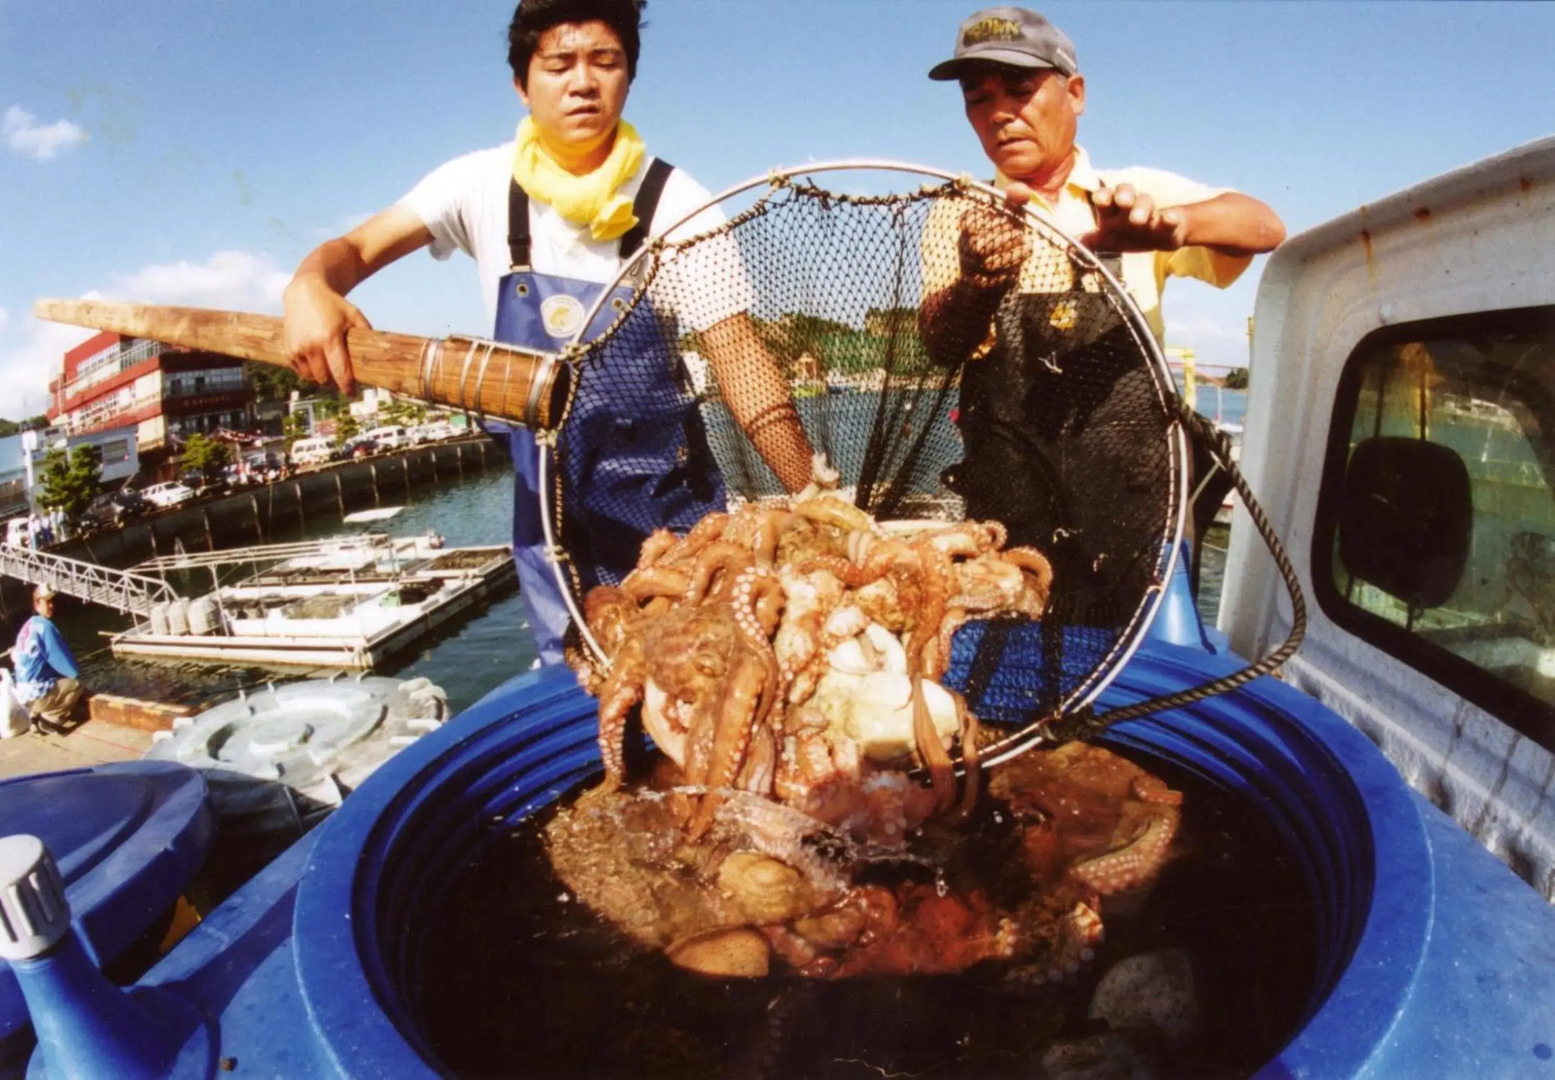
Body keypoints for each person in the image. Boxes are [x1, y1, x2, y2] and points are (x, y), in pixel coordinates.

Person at [283, 0, 814, 666]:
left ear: (628, 76)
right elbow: (354, 250)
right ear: (522, 83)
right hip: (549, 523)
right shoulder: (477, 184)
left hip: (673, 523)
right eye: (558, 64)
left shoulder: (675, 202)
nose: (582, 82)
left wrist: (814, 498)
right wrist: (308, 287)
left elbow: (736, 353)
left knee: (696, 684)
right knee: (570, 698)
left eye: (605, 61)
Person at [918, 6, 1285, 597]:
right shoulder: (960, 211)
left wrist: (1171, 229)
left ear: (1076, 94)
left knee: (1146, 668)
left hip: (1137, 507)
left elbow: (1264, 225)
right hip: (1008, 513)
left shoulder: (1131, 193)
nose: (1000, 113)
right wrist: (975, 284)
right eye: (977, 97)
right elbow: (939, 343)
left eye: (1020, 88)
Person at [12, 585, 82, 734]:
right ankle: (51, 720)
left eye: (52, 602)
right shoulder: (45, 627)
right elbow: (60, 659)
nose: (51, 605)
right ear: (36, 604)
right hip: (38, 697)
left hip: (24, 695)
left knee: (47, 678)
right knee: (76, 685)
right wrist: (74, 673)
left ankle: (34, 719)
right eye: (46, 602)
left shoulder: (28, 626)